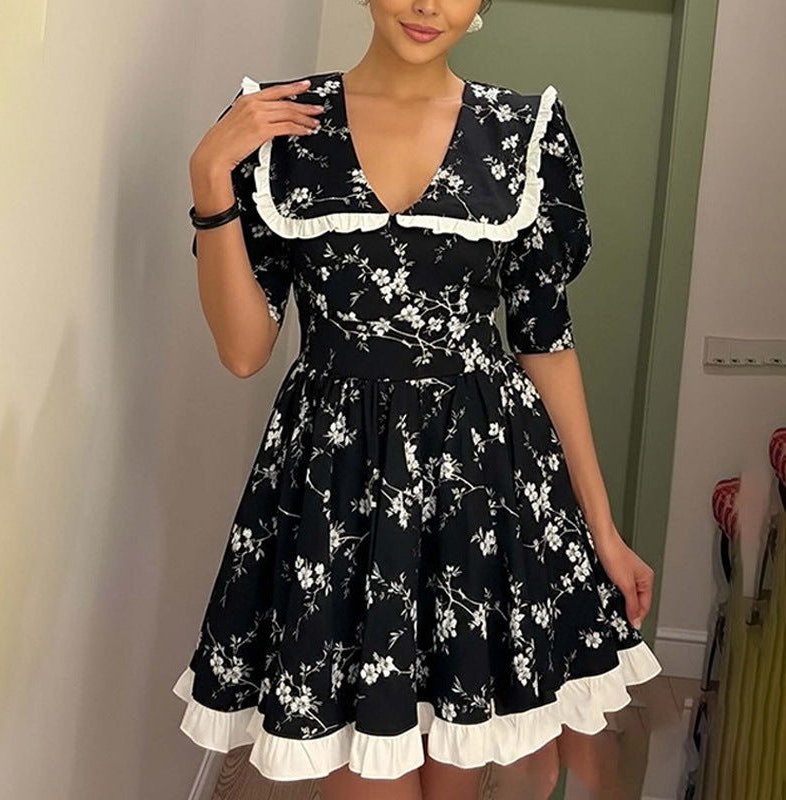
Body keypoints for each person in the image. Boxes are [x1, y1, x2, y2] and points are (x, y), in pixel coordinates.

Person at [173, 1, 663, 798]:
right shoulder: (278, 124)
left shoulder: (522, 131)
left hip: (481, 485)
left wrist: (602, 530)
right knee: (366, 763)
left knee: (458, 766)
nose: (430, 4)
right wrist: (209, 179)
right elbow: (243, 351)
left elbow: (544, 340)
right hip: (338, 489)